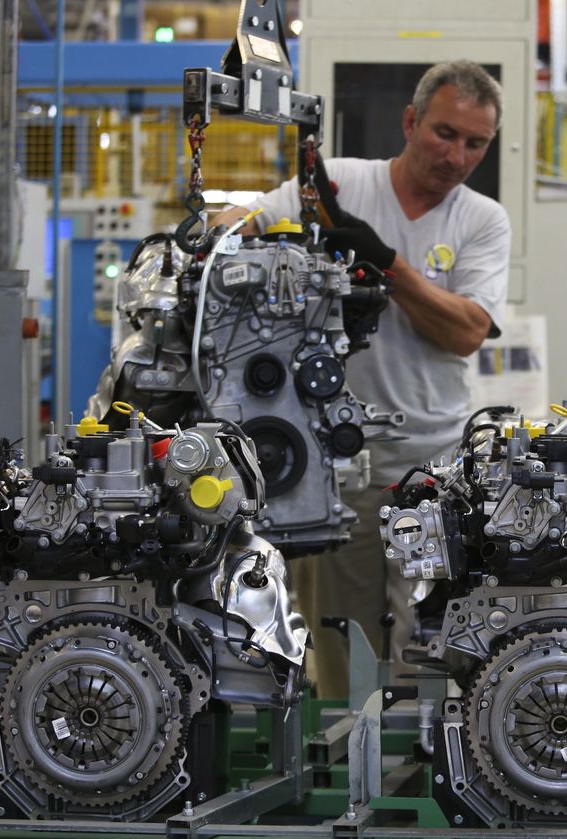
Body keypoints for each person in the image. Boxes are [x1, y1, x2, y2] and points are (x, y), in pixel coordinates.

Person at [212, 60, 510, 697]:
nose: (457, 154)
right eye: (444, 133)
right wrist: (219, 229)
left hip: (433, 467)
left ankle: (424, 772)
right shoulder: (340, 185)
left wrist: (382, 263)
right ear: (410, 122)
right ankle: (349, 776)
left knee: (425, 639)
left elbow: (466, 331)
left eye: (475, 143)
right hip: (334, 468)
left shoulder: (482, 221)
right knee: (340, 640)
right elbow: (251, 219)